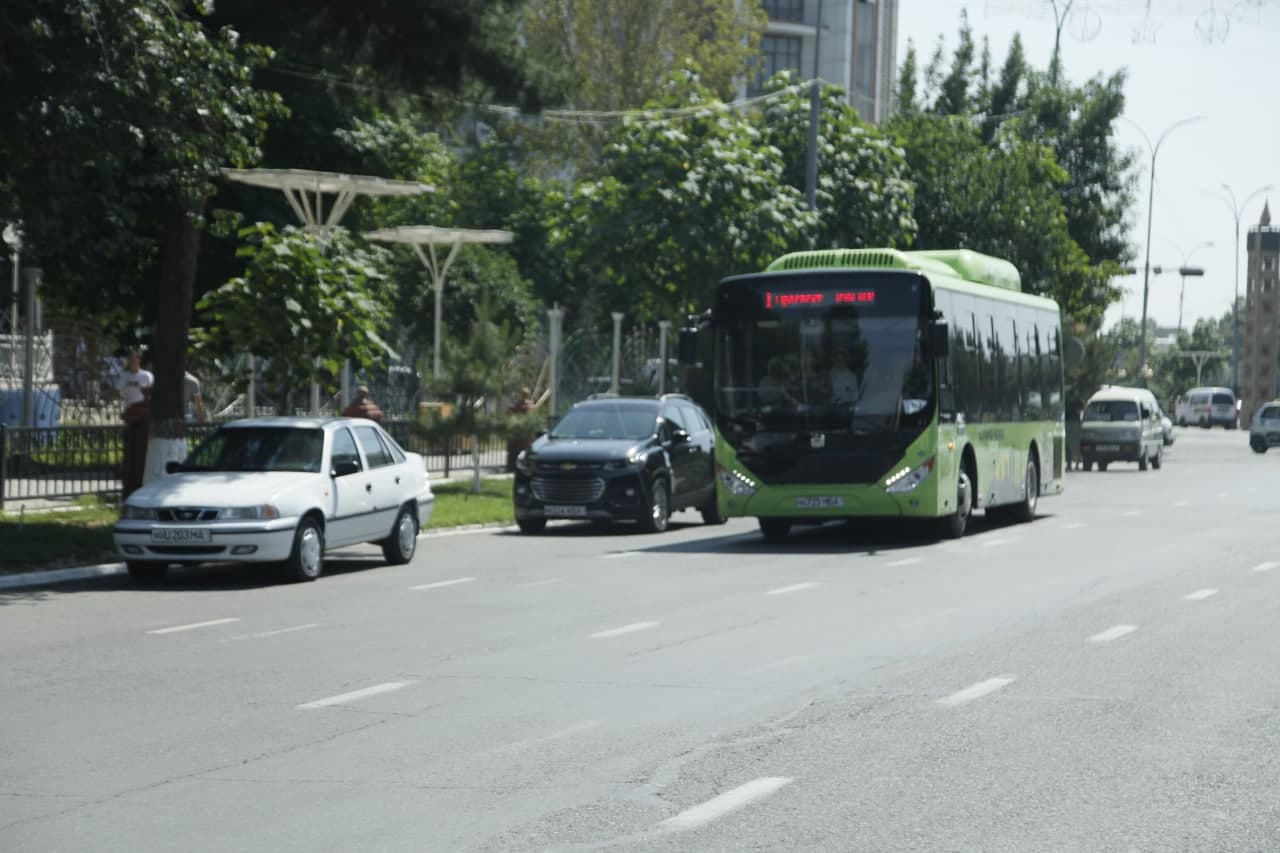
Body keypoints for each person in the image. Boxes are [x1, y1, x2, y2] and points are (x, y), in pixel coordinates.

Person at [506, 387, 536, 472]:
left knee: (520, 451)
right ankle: (515, 467)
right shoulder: (527, 405)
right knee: (519, 451)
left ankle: (515, 467)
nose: (523, 396)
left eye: (523, 394)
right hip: (522, 435)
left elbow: (510, 413)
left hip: (523, 435)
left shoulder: (524, 405)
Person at [116, 349, 153, 414]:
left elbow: (152, 391)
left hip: (142, 410)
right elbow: (117, 390)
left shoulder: (146, 375)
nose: (132, 361)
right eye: (130, 359)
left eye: (134, 359)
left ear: (139, 360)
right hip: (129, 409)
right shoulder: (124, 376)